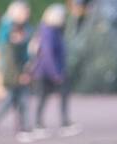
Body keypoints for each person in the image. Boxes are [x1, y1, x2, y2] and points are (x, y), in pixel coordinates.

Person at [30, 3, 81, 136]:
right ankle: (41, 124)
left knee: (48, 98)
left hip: (49, 71)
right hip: (47, 72)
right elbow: (48, 54)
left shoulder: (53, 30)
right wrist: (56, 73)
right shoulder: (48, 31)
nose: (64, 19)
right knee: (45, 98)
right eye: (62, 16)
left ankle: (50, 123)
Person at [0, 2, 34, 140]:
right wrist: (19, 74)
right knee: (15, 100)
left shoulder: (24, 27)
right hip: (12, 71)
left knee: (18, 100)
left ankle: (21, 128)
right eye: (24, 12)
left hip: (20, 69)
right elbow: (9, 56)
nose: (27, 14)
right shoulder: (10, 29)